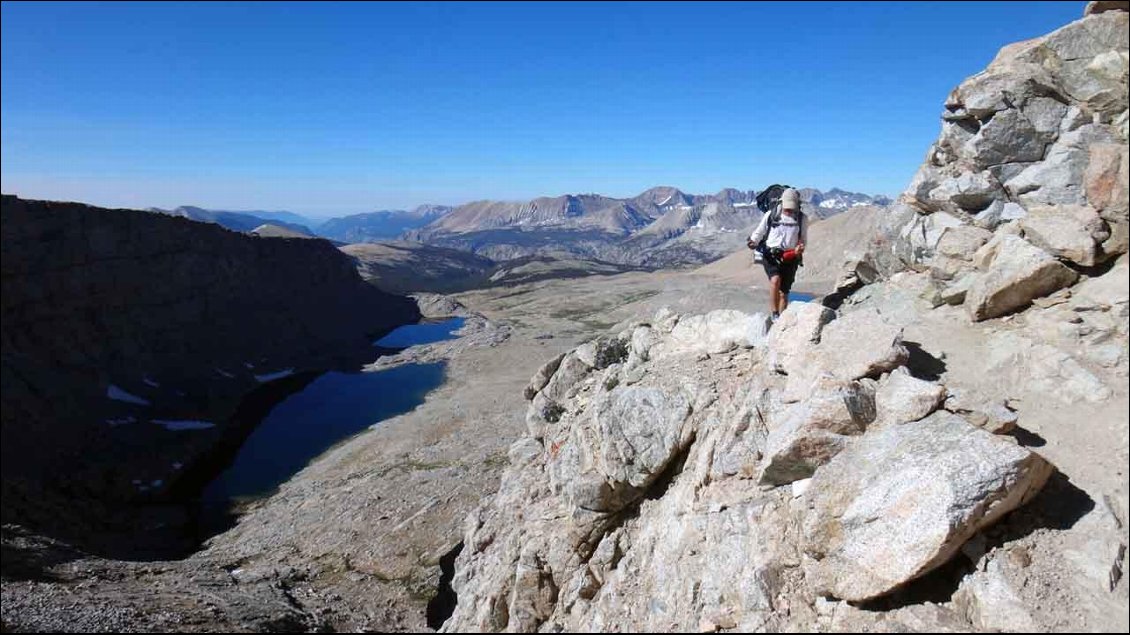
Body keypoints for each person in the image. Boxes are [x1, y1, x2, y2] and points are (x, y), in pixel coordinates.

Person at [747, 187, 807, 322]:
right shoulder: (771, 215)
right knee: (775, 280)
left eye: (792, 208)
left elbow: (803, 238)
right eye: (787, 208)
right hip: (771, 254)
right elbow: (760, 231)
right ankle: (775, 314)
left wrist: (800, 249)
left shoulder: (802, 218)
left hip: (791, 256)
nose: (789, 211)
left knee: (784, 293)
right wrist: (753, 242)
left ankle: (781, 320)